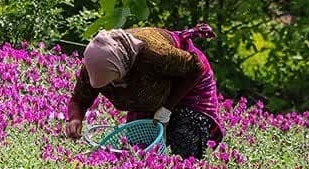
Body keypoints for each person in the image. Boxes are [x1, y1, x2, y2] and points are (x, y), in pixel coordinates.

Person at [65, 24, 224, 159]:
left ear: (125, 68)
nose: (113, 86)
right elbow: (79, 98)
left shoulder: (155, 54)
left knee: (185, 141)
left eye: (115, 80)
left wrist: (167, 108)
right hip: (148, 93)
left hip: (187, 81)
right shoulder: (95, 65)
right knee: (139, 150)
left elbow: (196, 68)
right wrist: (75, 118)